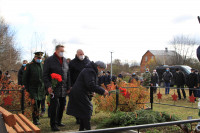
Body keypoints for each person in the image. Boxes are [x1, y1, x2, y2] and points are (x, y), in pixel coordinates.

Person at [67, 61, 109, 131]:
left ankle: (82, 130)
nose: (102, 72)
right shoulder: (90, 71)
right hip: (79, 93)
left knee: (84, 112)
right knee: (87, 110)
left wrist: (91, 92)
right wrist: (102, 91)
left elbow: (88, 84)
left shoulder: (90, 70)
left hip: (80, 92)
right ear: (98, 67)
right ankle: (87, 130)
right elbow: (90, 84)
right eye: (102, 70)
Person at [43, 45, 70, 131]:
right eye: (61, 51)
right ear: (56, 51)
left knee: (62, 105)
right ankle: (53, 124)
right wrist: (48, 86)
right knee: (54, 106)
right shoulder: (49, 60)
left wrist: (68, 86)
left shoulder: (65, 61)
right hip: (54, 87)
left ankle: (59, 121)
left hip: (63, 87)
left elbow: (68, 74)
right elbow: (45, 75)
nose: (62, 53)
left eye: (63, 51)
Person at [22, 52, 45, 125]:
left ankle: (37, 118)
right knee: (34, 104)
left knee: (38, 103)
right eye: (38, 58)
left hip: (40, 88)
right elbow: (25, 77)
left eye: (40, 58)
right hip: (32, 88)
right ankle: (35, 119)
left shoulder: (42, 65)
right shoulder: (29, 65)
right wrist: (26, 87)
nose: (39, 59)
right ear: (35, 58)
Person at [69, 49, 90, 124]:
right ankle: (78, 118)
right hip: (76, 85)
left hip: (86, 86)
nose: (82, 55)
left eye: (83, 54)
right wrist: (70, 85)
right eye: (80, 54)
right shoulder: (72, 63)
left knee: (86, 102)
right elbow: (69, 75)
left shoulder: (87, 61)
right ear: (77, 54)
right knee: (77, 103)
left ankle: (85, 117)